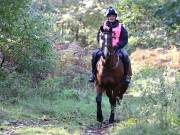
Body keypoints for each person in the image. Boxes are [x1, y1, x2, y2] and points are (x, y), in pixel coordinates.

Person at [89, 7, 130, 84]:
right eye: (110, 16)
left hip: (117, 48)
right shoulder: (103, 26)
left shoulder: (121, 27)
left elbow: (125, 39)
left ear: (115, 17)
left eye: (113, 16)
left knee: (125, 55)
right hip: (105, 48)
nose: (111, 17)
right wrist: (102, 45)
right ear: (107, 17)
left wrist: (118, 46)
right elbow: (99, 36)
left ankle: (126, 76)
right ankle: (93, 74)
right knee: (94, 54)